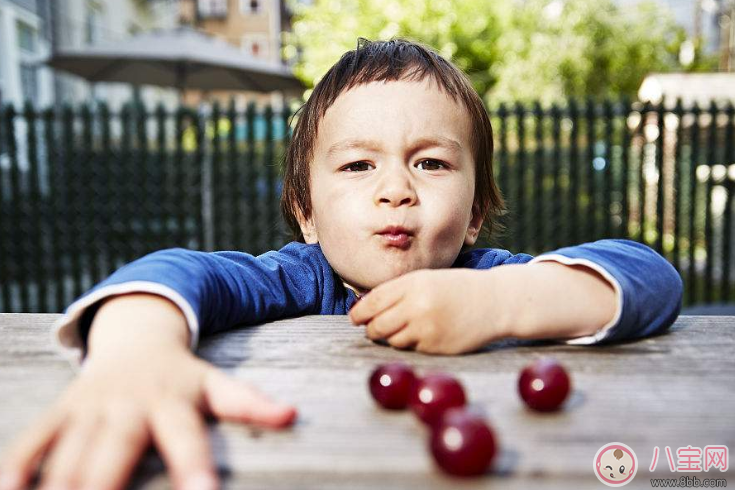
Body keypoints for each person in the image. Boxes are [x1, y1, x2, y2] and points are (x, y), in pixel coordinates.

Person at [0, 37, 682, 490]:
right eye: (358, 165)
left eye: (431, 162)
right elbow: (185, 272)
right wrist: (134, 352)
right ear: (306, 211)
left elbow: (650, 276)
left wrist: (503, 300)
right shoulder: (298, 278)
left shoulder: (489, 274)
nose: (396, 188)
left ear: (475, 210)